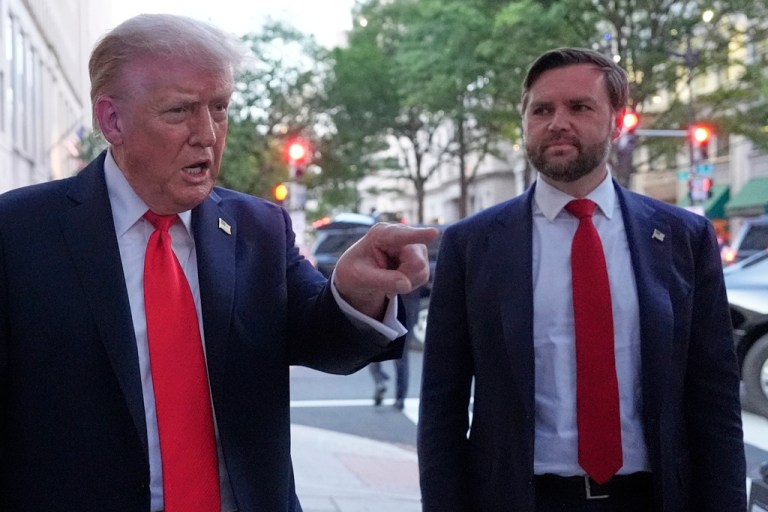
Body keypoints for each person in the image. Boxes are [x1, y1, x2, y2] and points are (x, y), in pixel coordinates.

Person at [0, 14, 437, 512]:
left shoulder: (259, 229)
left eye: (220, 108)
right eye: (180, 111)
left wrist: (356, 292)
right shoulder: (18, 233)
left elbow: (326, 342)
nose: (207, 133)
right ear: (112, 121)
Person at [417, 47, 745, 512]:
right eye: (542, 109)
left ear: (617, 120)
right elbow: (440, 407)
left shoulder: (682, 238)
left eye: (579, 107)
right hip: (521, 498)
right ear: (525, 122)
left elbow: (714, 398)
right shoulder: (472, 245)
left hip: (653, 497)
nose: (557, 122)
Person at [368, 287, 420, 410]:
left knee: (373, 349)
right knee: (401, 356)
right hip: (408, 305)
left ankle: (379, 380)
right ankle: (400, 398)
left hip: (385, 303)